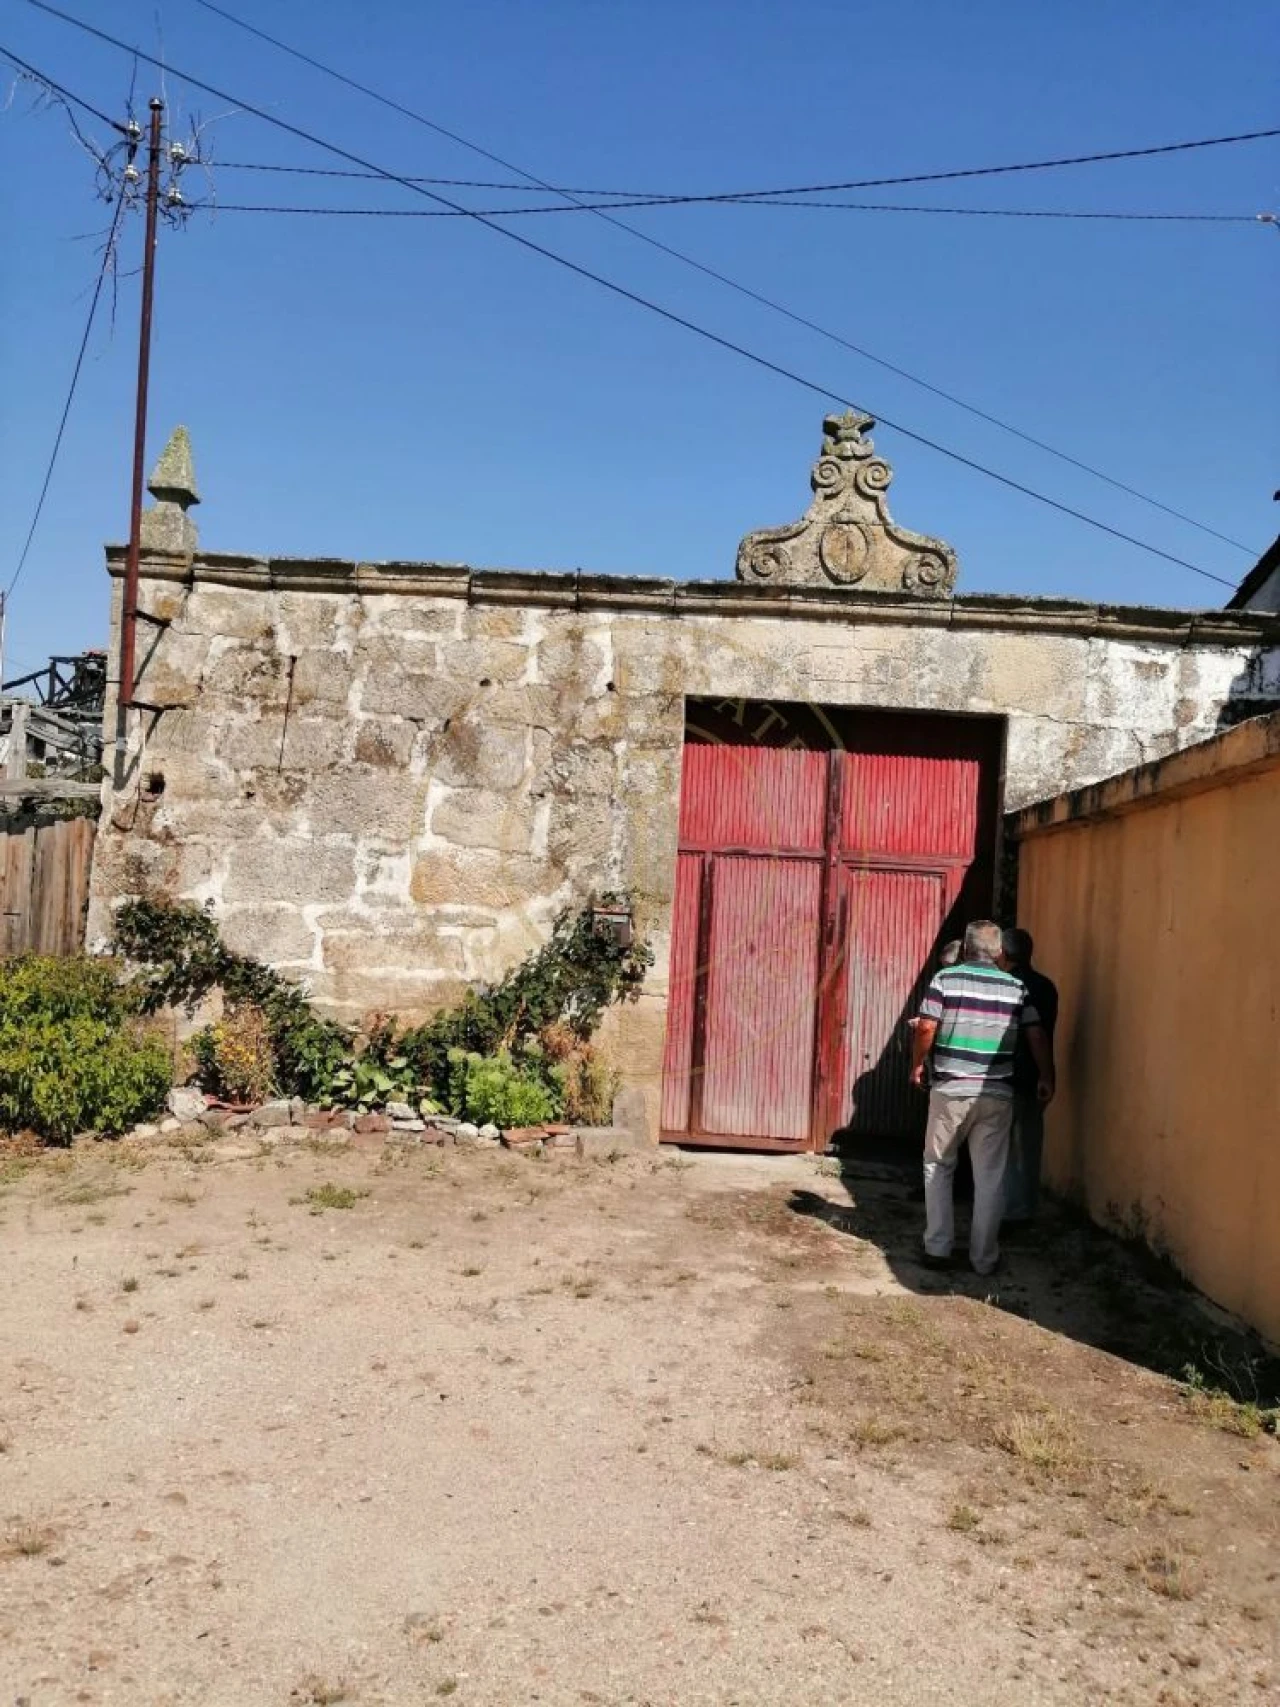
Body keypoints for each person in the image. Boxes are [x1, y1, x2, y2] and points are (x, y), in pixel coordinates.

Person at [908, 920, 1054, 1275]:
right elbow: (1035, 1035)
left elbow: (927, 1026)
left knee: (939, 1165)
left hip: (952, 1088)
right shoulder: (1018, 987)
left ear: (967, 948)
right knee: (990, 1176)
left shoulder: (945, 980)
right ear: (999, 951)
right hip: (998, 1092)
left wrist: (917, 1064)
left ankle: (938, 1249)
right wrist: (1047, 1075)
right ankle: (984, 1258)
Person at [1000, 927, 1059, 1228]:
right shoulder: (1046, 986)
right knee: (1032, 1141)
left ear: (1003, 953)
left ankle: (1011, 1210)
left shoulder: (1006, 985)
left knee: (1004, 1145)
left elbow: (1033, 1033)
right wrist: (1048, 1074)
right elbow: (1046, 1032)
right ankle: (1028, 1205)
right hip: (1037, 1074)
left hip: (1006, 1075)